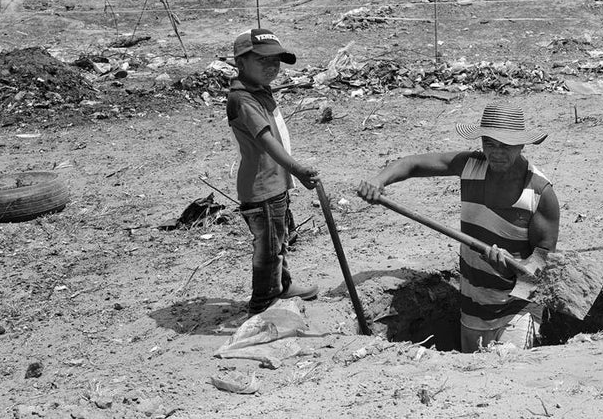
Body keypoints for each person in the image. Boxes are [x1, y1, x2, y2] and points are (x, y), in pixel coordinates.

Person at [357, 102, 560, 352]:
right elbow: (413, 164)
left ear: (521, 145)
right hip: (471, 309)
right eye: (490, 144)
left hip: (516, 311)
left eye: (505, 146)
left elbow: (542, 266)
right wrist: (379, 181)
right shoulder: (471, 166)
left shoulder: (540, 193)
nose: (496, 153)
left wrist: (507, 270)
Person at [226, 27, 320, 316]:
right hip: (261, 187)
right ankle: (264, 304)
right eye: (262, 61)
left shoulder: (258, 91)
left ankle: (282, 286)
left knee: (279, 239)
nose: (271, 67)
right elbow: (266, 142)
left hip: (276, 183)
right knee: (267, 249)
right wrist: (298, 169)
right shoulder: (243, 100)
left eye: (275, 61)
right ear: (240, 63)